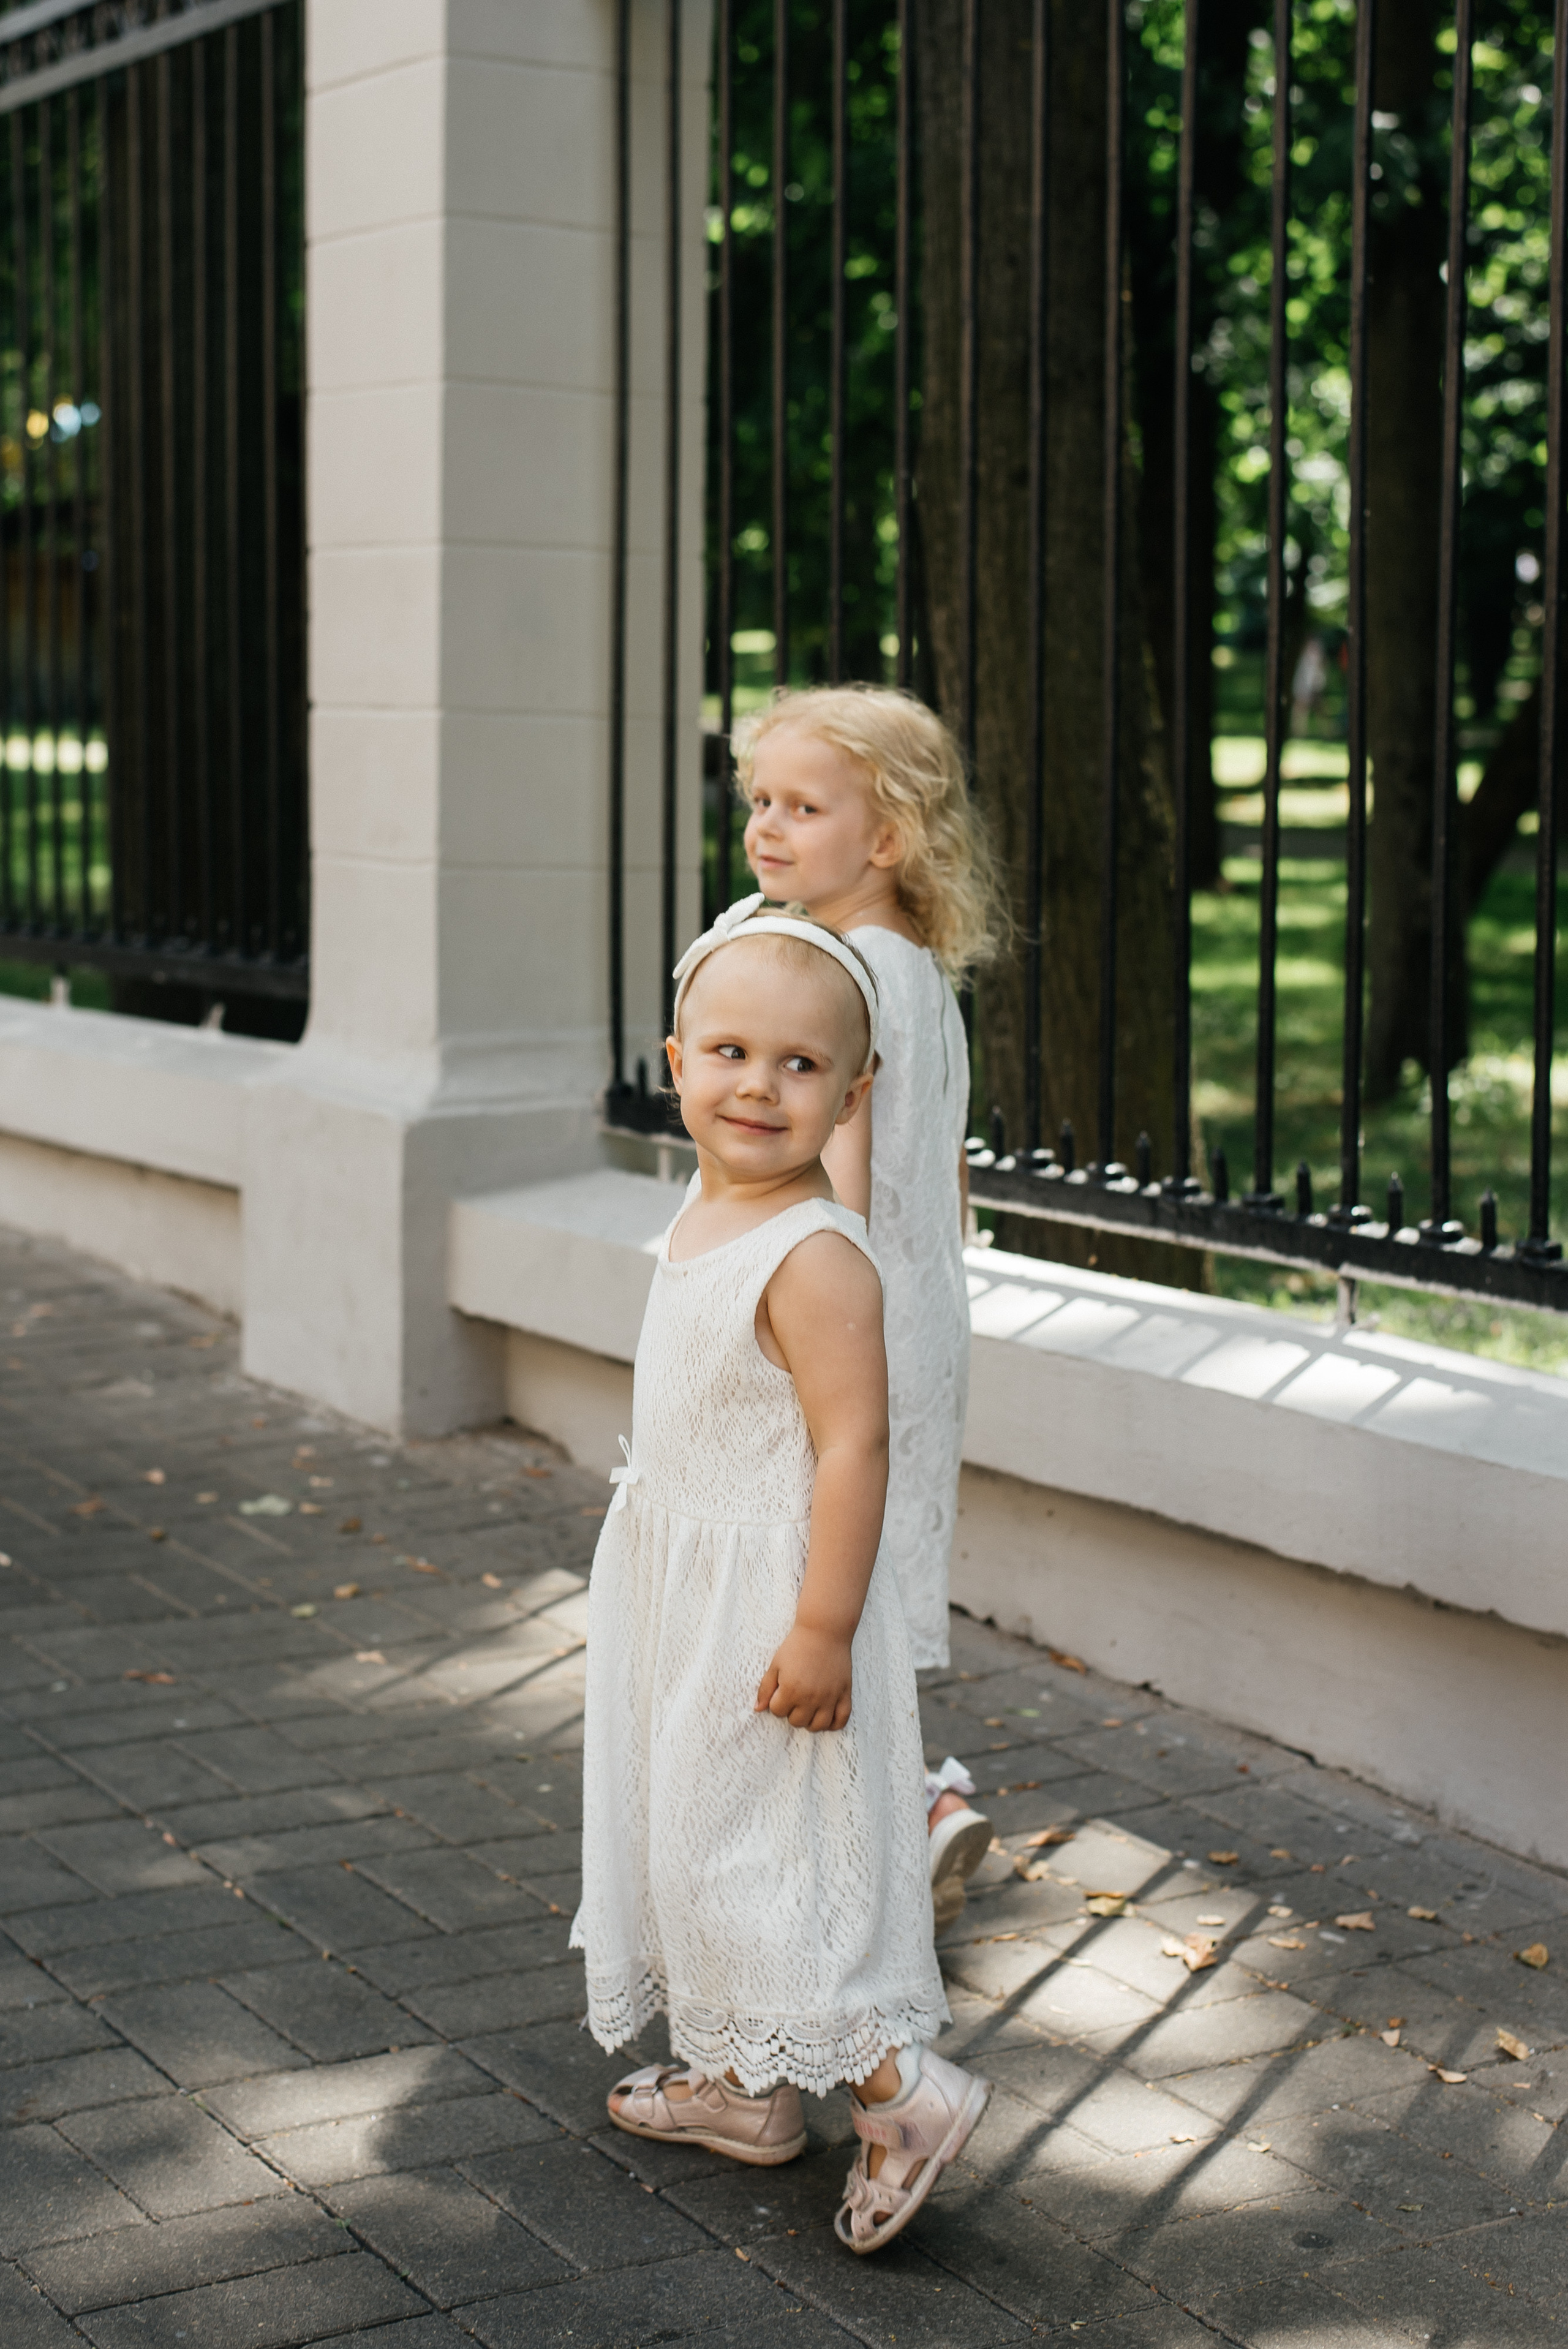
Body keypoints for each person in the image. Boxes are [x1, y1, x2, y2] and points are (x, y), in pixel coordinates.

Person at [573, 903, 990, 2254]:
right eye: (728, 1052)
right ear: (674, 1060)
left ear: (853, 1092)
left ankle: (897, 2088)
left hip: (769, 1608)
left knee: (754, 1866)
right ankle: (748, 2090)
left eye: (800, 1066)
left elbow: (855, 1442)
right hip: (685, 1591)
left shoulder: (813, 1255)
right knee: (692, 1839)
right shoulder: (714, 1195)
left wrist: (821, 1625)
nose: (757, 1085)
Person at [734, 683, 1003, 1927]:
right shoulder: (916, 971)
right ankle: (922, 1800)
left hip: (848, 1328)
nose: (766, 828)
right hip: (920, 1315)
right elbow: (941, 1173)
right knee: (873, 1580)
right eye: (757, 802)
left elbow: (831, 1187)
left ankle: (890, 1826)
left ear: (885, 837)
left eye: (801, 805)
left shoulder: (842, 974)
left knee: (820, 1581)